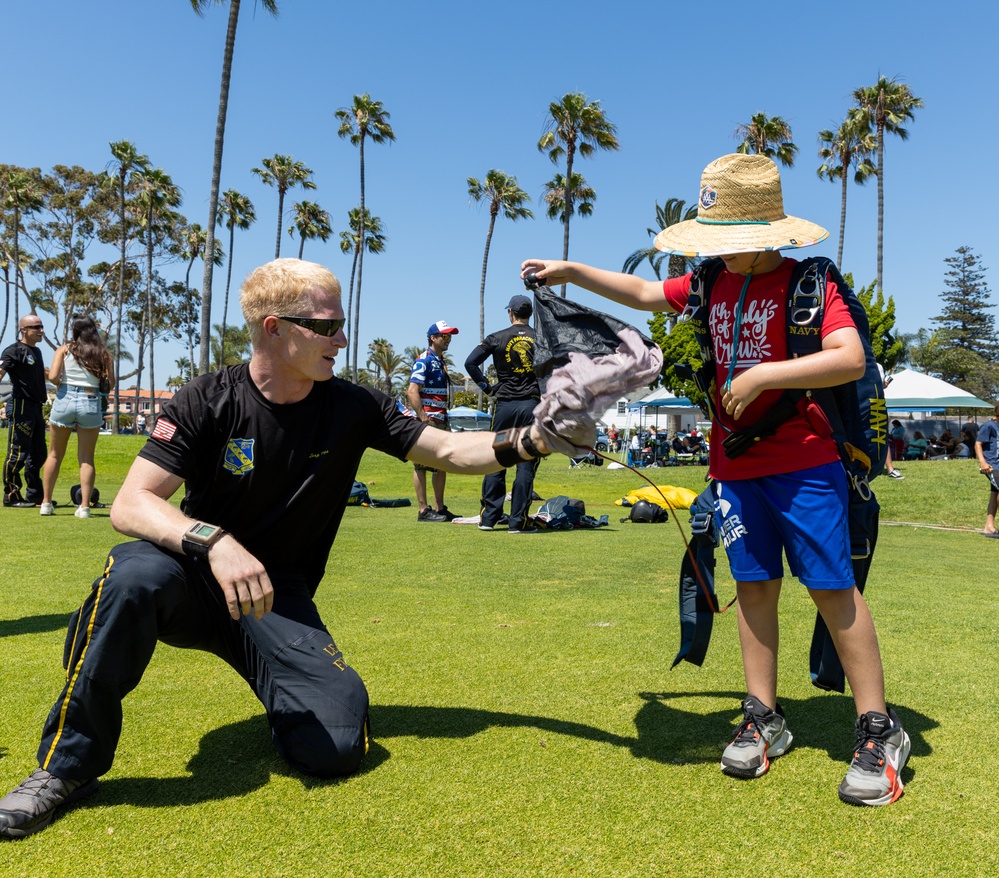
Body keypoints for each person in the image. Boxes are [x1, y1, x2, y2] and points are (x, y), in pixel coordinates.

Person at [0, 258, 580, 840]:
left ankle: (284, 692)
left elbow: (451, 451)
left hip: (275, 598)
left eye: (341, 324)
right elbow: (130, 504)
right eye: (328, 327)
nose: (343, 339)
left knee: (335, 748)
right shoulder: (207, 399)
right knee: (131, 576)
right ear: (275, 328)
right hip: (192, 578)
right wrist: (215, 542)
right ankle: (65, 767)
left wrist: (540, 437)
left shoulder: (355, 406)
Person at [521, 153, 910, 807]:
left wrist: (762, 375)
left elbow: (847, 358)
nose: (720, 252)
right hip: (733, 468)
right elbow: (644, 293)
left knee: (831, 592)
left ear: (765, 234)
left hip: (807, 464)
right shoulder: (709, 284)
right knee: (752, 590)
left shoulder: (808, 283)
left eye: (729, 240)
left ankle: (877, 729)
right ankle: (763, 716)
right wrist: (570, 272)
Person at [464, 295, 541, 533]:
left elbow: (470, 363)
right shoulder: (541, 337)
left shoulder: (496, 337)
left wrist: (487, 387)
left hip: (505, 407)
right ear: (529, 314)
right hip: (531, 405)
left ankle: (489, 518)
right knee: (526, 463)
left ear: (511, 313)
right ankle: (518, 522)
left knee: (498, 460)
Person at [40, 316, 115, 518]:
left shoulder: (64, 350)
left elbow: (54, 377)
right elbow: (111, 384)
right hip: (90, 400)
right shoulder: (104, 354)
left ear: (75, 331)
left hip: (65, 398)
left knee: (55, 454)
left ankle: (46, 503)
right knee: (86, 458)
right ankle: (84, 507)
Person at [407, 320, 462, 522]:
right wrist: (423, 418)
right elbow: (412, 391)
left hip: (440, 419)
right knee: (421, 465)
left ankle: (439, 508)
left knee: (442, 464)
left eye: (449, 337)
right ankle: (423, 510)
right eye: (444, 336)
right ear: (433, 338)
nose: (448, 340)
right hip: (428, 420)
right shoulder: (424, 360)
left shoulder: (440, 361)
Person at [0, 314, 48, 507]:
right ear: (24, 330)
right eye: (36, 327)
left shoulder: (36, 352)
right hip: (21, 406)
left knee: (38, 453)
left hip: (37, 407)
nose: (41, 331)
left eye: (41, 326)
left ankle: (35, 495)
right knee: (17, 452)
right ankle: (11, 496)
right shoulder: (13, 351)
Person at [974, 404, 999, 536]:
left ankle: (988, 527)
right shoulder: (989, 426)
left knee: (995, 494)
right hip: (992, 466)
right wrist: (982, 462)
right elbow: (978, 444)